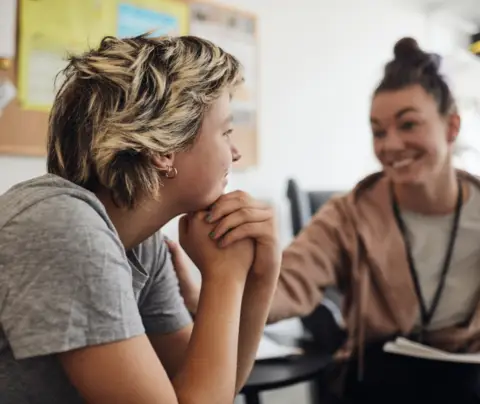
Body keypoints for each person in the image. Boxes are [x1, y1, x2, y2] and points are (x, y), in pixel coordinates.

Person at [173, 37, 480, 403]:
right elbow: (289, 283)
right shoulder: (348, 214)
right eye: (378, 132)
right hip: (384, 379)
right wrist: (209, 296)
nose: (391, 144)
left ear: (452, 127)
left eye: (408, 125)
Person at [0, 34, 280, 404]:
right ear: (163, 149)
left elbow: (210, 387)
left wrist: (261, 276)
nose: (235, 152)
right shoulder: (62, 226)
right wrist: (224, 276)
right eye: (225, 132)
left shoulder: (141, 244)